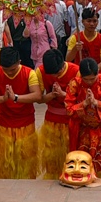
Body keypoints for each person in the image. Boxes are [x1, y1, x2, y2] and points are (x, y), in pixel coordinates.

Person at [0, 44, 43, 179]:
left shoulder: (29, 73)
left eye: (13, 70)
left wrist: (15, 98)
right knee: (6, 160)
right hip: (5, 122)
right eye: (6, 70)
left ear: (19, 62)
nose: (9, 73)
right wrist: (3, 98)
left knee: (26, 159)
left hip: (25, 122)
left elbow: (37, 96)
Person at [36, 51, 82, 180]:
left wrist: (64, 95)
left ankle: (73, 175)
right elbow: (39, 99)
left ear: (63, 64)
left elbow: (81, 100)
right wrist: (51, 95)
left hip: (71, 120)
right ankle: (53, 175)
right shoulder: (40, 72)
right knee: (52, 153)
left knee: (72, 151)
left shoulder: (76, 71)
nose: (55, 76)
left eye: (57, 73)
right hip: (52, 120)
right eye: (52, 74)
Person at [70, 57, 101, 178]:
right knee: (83, 162)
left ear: (98, 73)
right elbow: (69, 109)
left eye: (92, 79)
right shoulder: (74, 84)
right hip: (83, 129)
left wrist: (96, 103)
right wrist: (84, 104)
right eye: (86, 79)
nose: (89, 82)